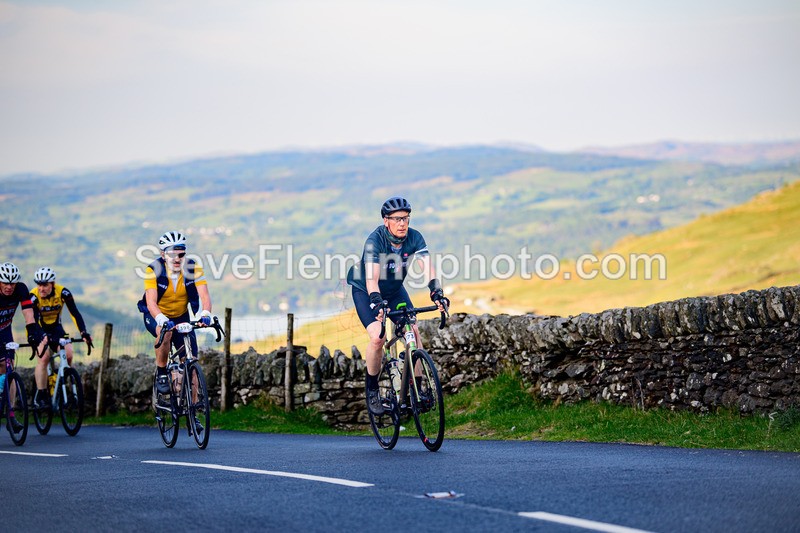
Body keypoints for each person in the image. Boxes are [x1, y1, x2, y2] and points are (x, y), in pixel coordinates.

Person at [346, 197, 449, 416]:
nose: (403, 223)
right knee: (378, 337)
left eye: (406, 218)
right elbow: (372, 279)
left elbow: (427, 269)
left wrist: (436, 291)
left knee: (413, 330)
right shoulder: (375, 241)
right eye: (398, 219)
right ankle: (373, 390)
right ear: (386, 221)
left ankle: (419, 390)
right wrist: (375, 300)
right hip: (366, 290)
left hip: (393, 291)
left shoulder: (414, 237)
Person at [138, 231, 213, 396]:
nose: (177, 258)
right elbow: (151, 302)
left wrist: (205, 314)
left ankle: (193, 415)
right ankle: (162, 372)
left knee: (191, 363)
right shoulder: (153, 270)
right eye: (172, 254)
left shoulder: (193, 268)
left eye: (181, 254)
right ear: (163, 254)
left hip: (181, 315)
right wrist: (162, 320)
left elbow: (205, 296)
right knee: (165, 334)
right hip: (156, 314)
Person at [29, 266, 94, 410]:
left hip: (57, 330)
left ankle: (62, 379)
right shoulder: (33, 296)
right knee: (44, 358)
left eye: (45, 285)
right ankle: (41, 395)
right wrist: (41, 336)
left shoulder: (63, 292)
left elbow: (75, 313)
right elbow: (32, 320)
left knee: (69, 355)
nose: (41, 288)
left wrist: (83, 332)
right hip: (40, 330)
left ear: (52, 284)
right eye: (39, 285)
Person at [0, 262, 46, 431]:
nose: (9, 287)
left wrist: (32, 332)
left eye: (12, 283)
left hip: (5, 330)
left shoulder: (21, 289)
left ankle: (10, 415)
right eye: (5, 283)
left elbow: (28, 313)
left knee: (9, 369)